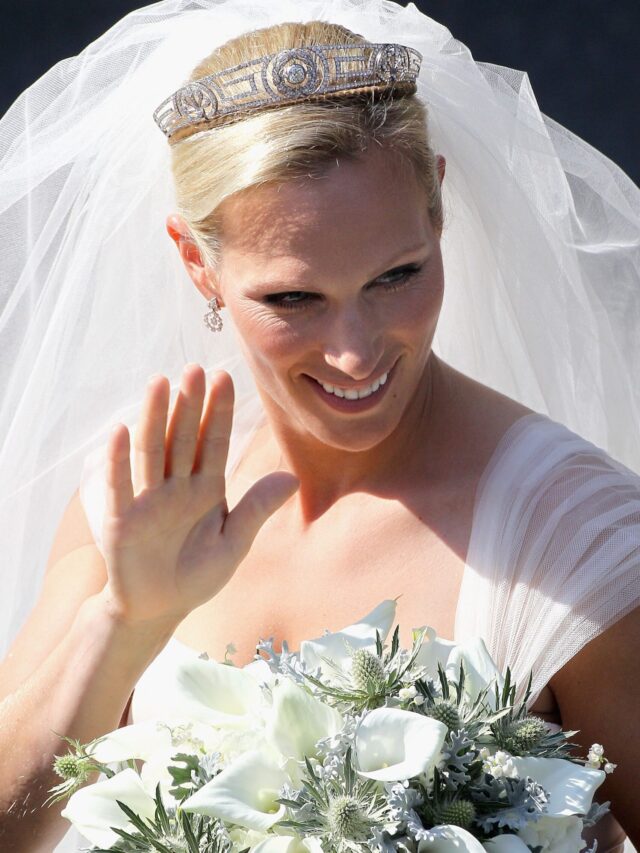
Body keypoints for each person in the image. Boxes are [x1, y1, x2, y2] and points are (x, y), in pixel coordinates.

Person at [0, 1, 638, 851]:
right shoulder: (146, 492)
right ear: (199, 263)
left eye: (397, 275)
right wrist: (125, 620)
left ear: (438, 209)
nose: (354, 352)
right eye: (294, 297)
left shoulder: (578, 536)